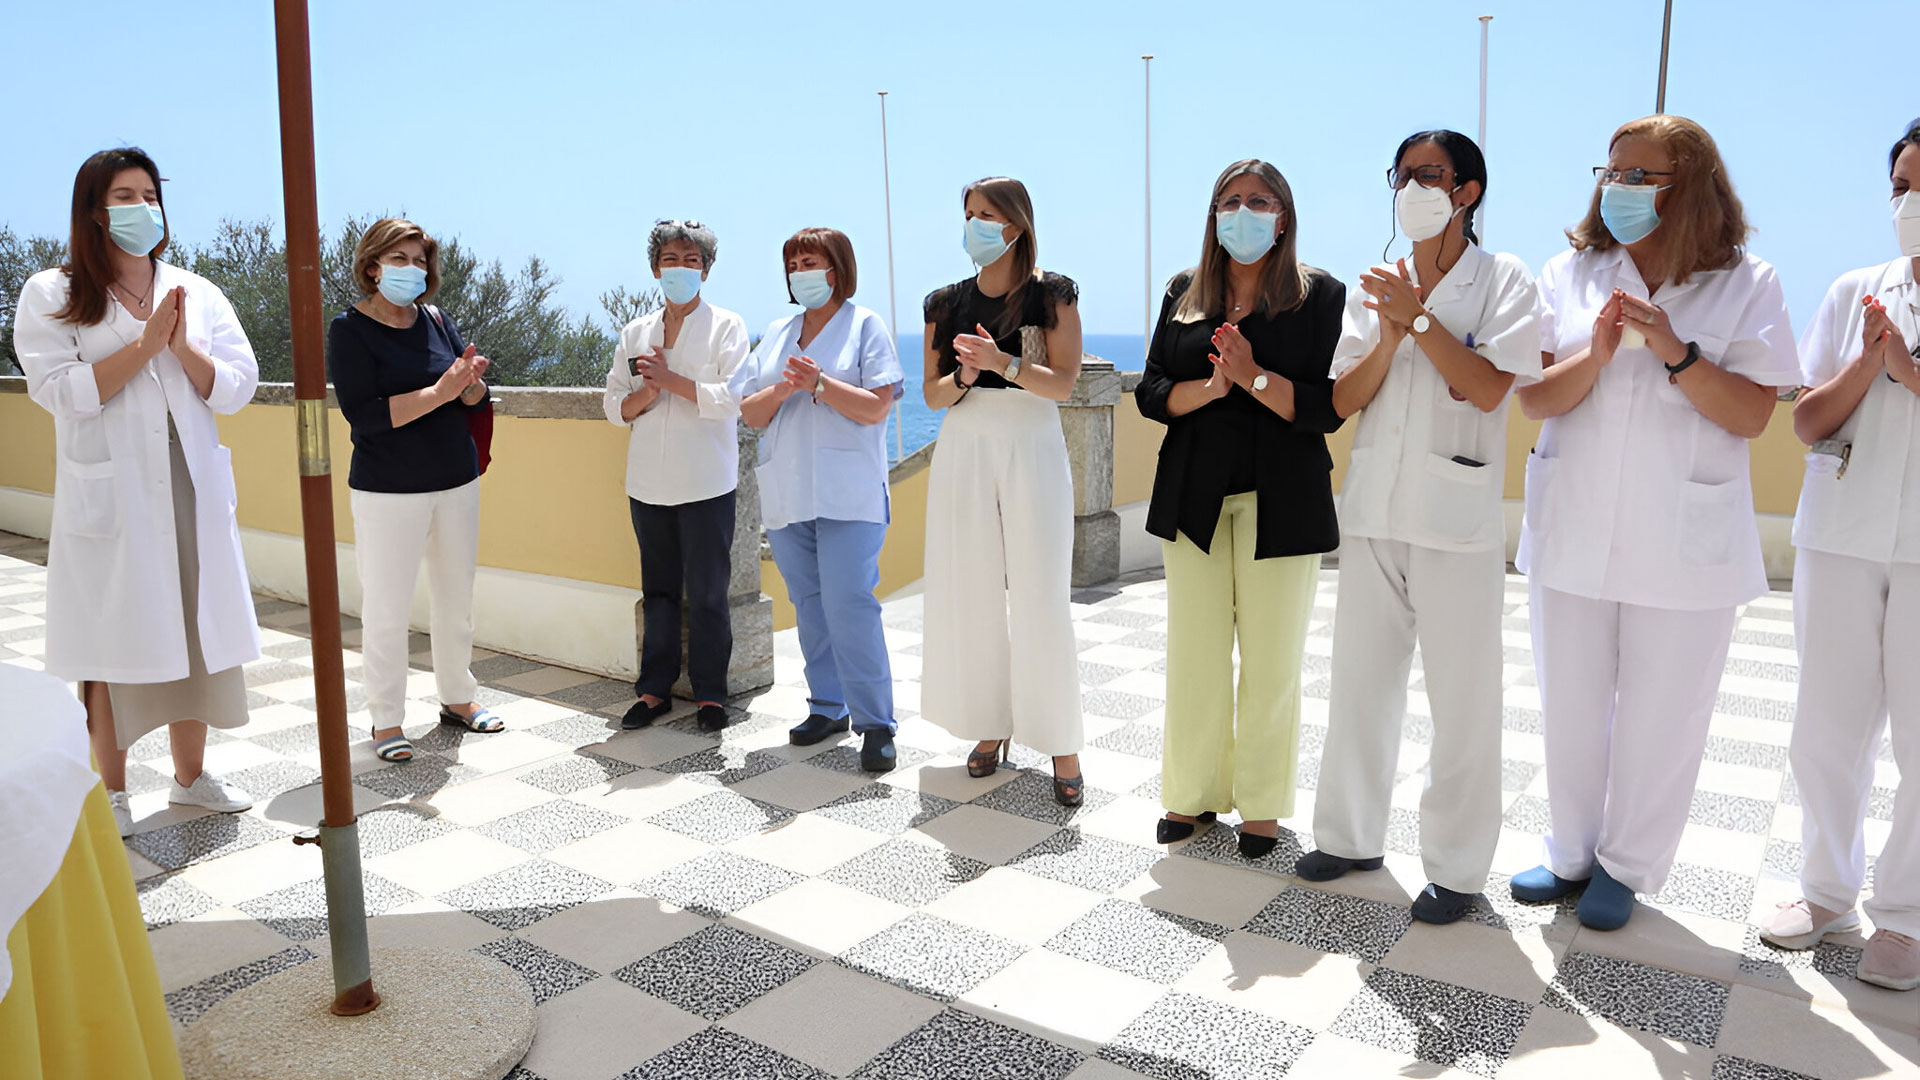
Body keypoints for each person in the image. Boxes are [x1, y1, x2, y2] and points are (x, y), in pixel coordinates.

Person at [1511, 116, 1799, 930]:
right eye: (1613, 172)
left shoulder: (1748, 282)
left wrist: (1674, 350)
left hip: (1685, 536)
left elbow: (1751, 413)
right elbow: (1533, 397)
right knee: (1568, 697)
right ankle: (1570, 850)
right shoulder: (1570, 272)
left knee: (1663, 710)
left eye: (1641, 176)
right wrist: (1597, 357)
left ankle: (1626, 864)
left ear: (1692, 187)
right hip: (1574, 517)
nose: (1620, 189)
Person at [1300, 131, 1541, 924]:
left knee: (1462, 701)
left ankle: (1459, 868)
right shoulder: (1382, 284)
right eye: (1401, 176)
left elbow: (1485, 386)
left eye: (1428, 175)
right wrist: (1394, 331)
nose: (1411, 188)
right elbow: (1342, 401)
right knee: (1359, 685)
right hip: (1374, 511)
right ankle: (1348, 834)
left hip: (1455, 519)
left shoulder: (1504, 280)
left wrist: (1423, 325)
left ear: (1467, 190)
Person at [13, 148, 262, 837]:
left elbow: (239, 386)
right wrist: (146, 345)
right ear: (94, 210)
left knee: (194, 627)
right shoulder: (53, 293)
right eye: (124, 196)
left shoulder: (197, 290)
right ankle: (111, 789)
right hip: (115, 494)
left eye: (149, 194)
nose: (140, 207)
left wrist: (182, 348)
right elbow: (58, 390)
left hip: (190, 483)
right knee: (110, 641)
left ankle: (191, 779)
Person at [1134, 159, 1346, 857]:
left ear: (1283, 217)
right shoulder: (1182, 292)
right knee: (1193, 654)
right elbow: (1153, 388)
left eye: (1259, 201)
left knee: (1271, 659)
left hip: (1281, 498)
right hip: (1192, 493)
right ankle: (1190, 796)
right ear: (1212, 215)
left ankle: (1261, 805)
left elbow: (1323, 406)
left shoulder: (1320, 296)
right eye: (1230, 201)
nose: (1243, 212)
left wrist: (1250, 374)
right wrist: (1211, 390)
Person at [1760, 118, 1920, 991]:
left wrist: (1909, 365)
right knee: (1828, 726)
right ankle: (1828, 890)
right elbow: (1808, 419)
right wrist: (1869, 364)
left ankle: (1905, 916)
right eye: (1901, 186)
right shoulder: (1858, 288)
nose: (1909, 203)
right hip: (1843, 533)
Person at [920, 177, 1086, 806]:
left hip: (1031, 442)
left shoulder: (1052, 294)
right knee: (973, 589)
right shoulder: (944, 302)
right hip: (965, 445)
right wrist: (965, 374)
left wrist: (1004, 365)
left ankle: (1061, 742)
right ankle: (991, 724)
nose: (976, 226)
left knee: (1042, 594)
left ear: (1017, 223)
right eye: (968, 214)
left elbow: (1064, 383)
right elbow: (934, 395)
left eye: (987, 215)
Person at [327, 217, 505, 764]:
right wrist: (441, 390)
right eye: (399, 259)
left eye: (419, 259)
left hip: (455, 481)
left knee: (457, 600)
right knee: (386, 607)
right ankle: (386, 721)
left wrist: (470, 384)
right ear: (373, 265)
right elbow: (367, 417)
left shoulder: (435, 318)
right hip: (389, 491)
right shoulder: (349, 330)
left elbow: (471, 397)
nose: (412, 269)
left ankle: (458, 699)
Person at [732, 228, 903, 772]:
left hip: (848, 495)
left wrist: (821, 385)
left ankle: (876, 722)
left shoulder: (865, 325)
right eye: (795, 263)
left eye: (813, 261)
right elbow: (751, 412)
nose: (802, 271)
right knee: (809, 606)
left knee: (850, 605)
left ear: (838, 269)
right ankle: (827, 707)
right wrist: (784, 388)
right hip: (789, 494)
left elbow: (877, 407)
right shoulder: (779, 332)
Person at [604, 220, 749, 734]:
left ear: (706, 269)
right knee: (659, 590)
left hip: (707, 483)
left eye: (691, 260)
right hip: (648, 484)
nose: (680, 268)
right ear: (654, 268)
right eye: (671, 259)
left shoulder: (726, 326)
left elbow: (735, 399)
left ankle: (711, 695)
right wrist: (646, 395)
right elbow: (613, 404)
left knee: (709, 593)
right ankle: (653, 689)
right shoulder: (635, 332)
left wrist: (671, 382)